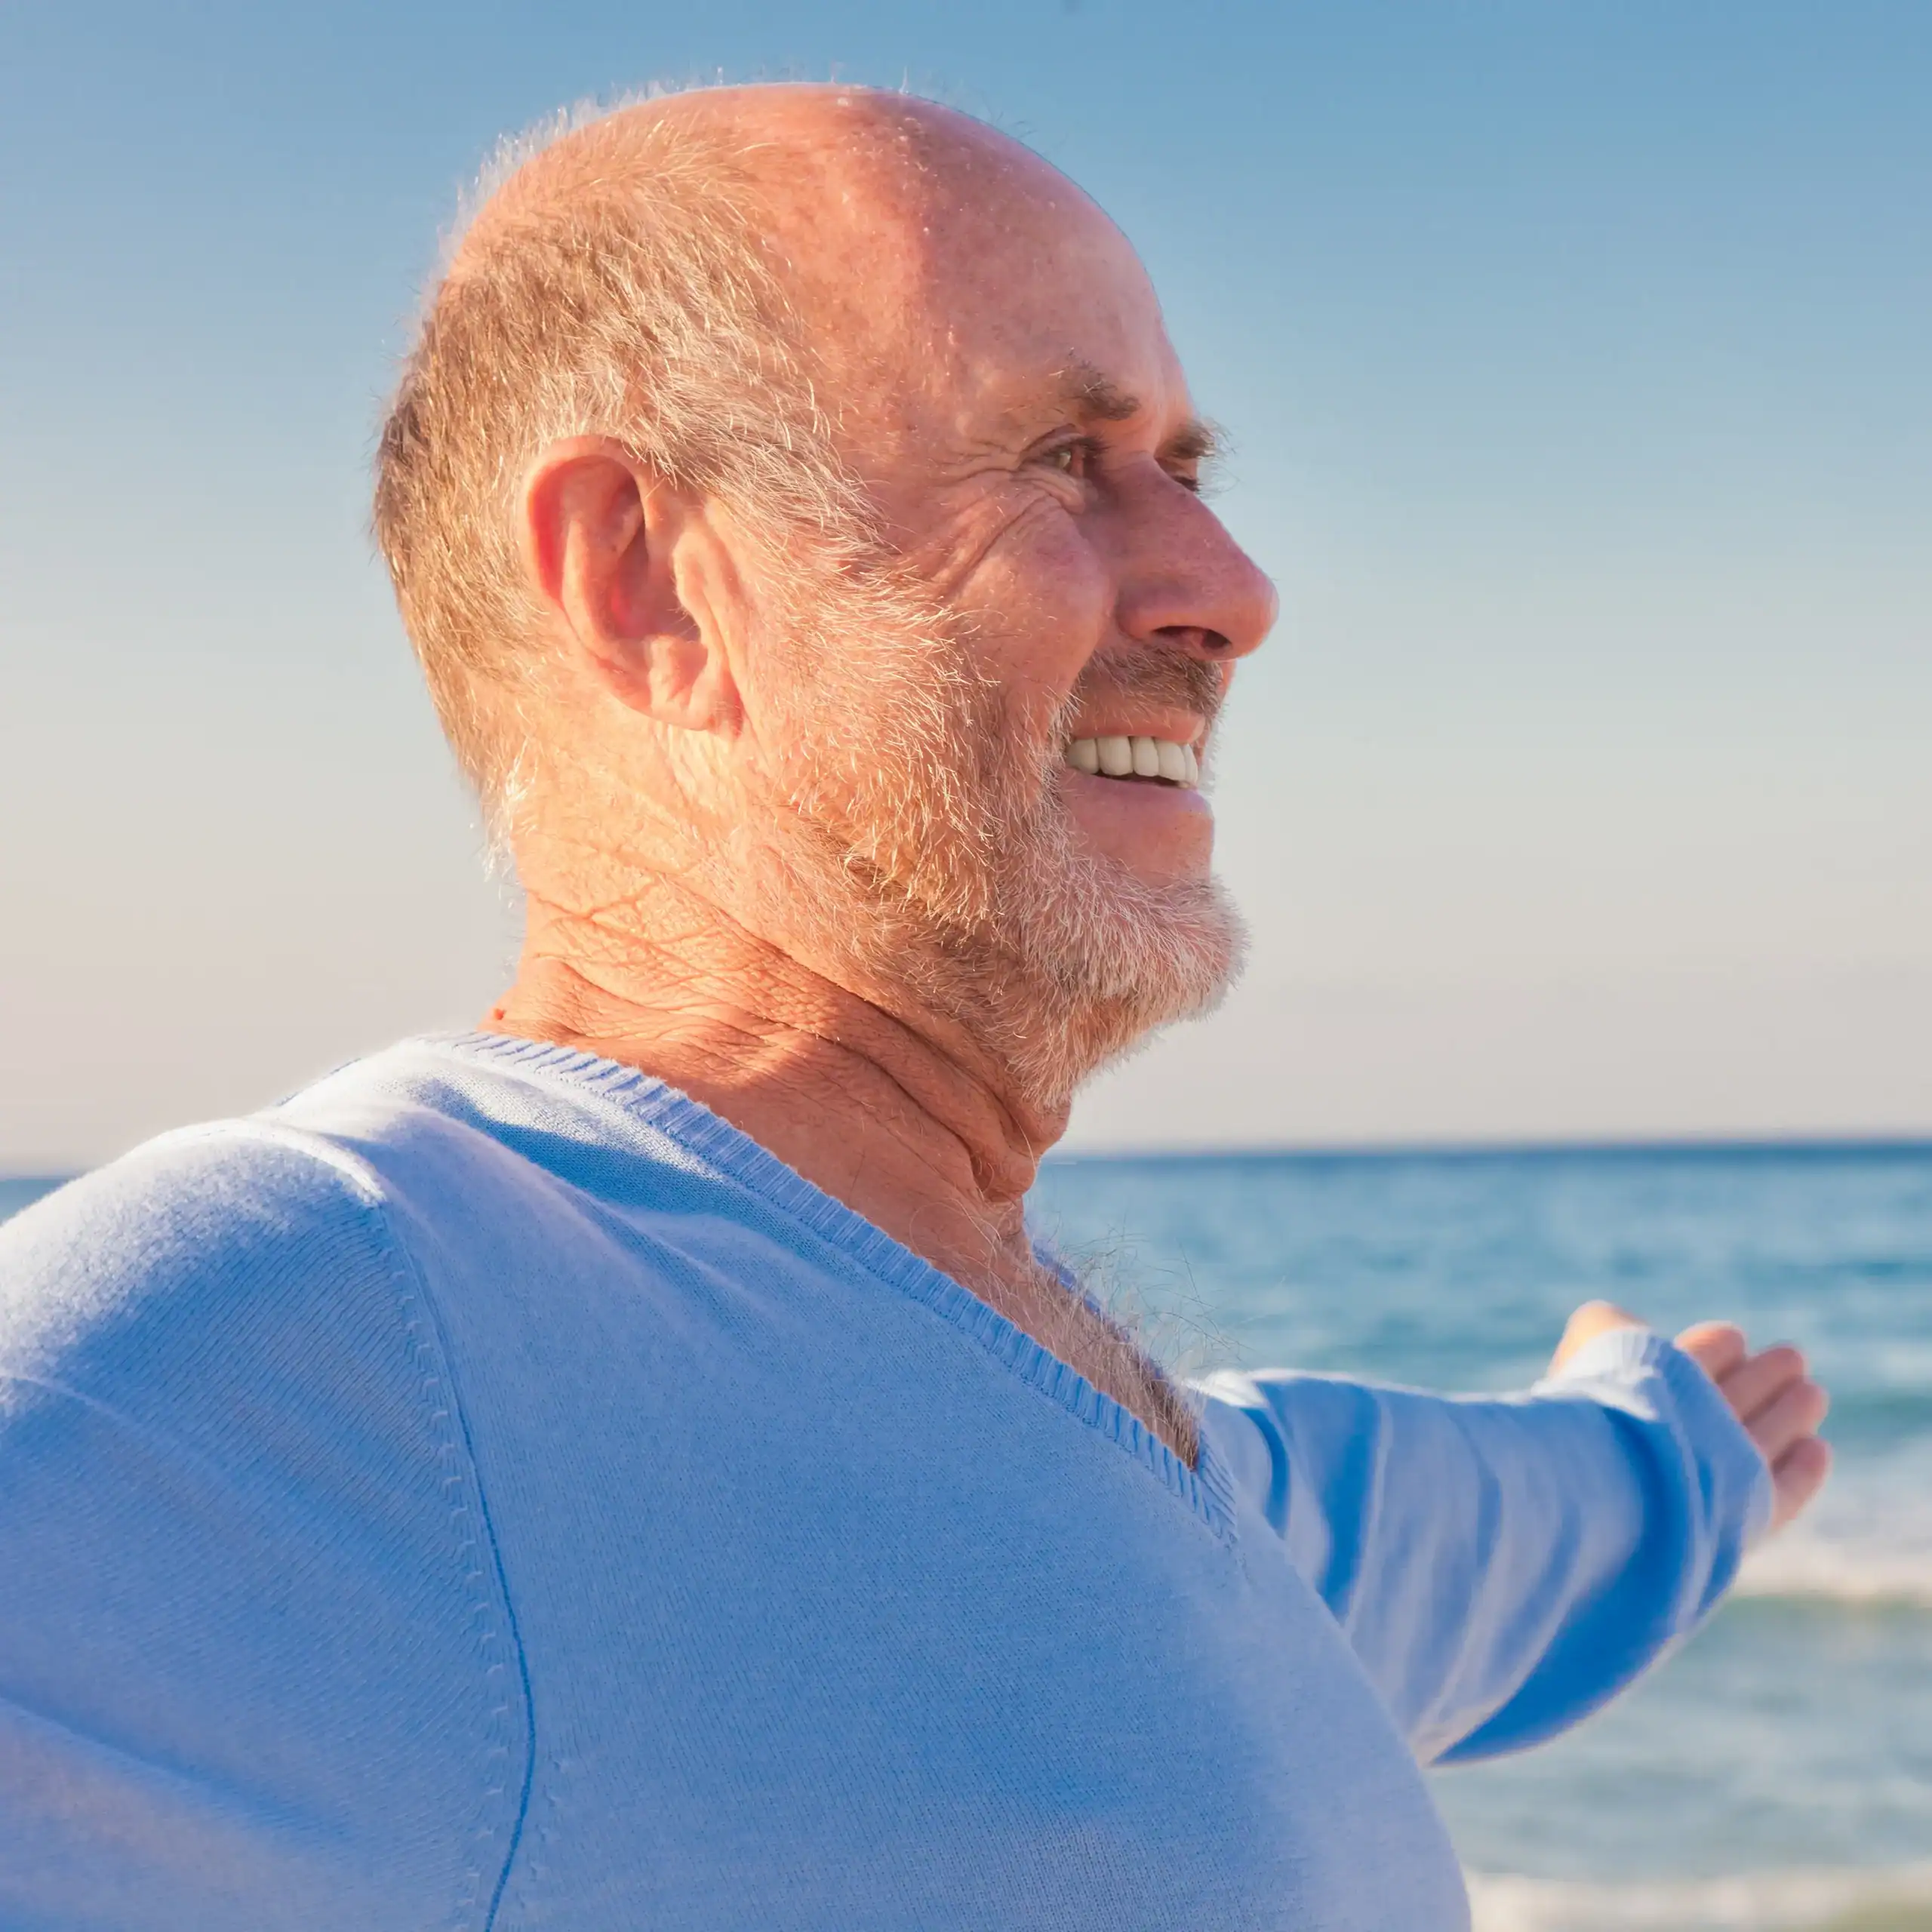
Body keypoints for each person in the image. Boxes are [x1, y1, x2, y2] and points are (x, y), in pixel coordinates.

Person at [0, 85, 1829, 1930]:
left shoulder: (1066, 1427)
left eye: (1186, 470)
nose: (1235, 589)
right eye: (1058, 455)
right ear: (645, 579)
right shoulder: (313, 1328)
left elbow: (1339, 1551)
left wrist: (1667, 1451)